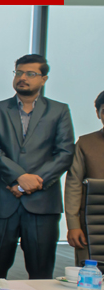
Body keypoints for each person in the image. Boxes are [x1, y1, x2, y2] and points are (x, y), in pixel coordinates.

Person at [0, 54, 74, 279]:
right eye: (19, 72)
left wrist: (28, 184)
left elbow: (64, 153)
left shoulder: (59, 111)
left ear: (44, 79)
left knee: (41, 273)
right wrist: (18, 178)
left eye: (31, 74)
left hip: (42, 203)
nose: (23, 78)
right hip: (2, 201)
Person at [66, 91, 104, 265]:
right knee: (89, 275)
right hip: (91, 226)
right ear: (98, 113)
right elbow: (73, 185)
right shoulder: (85, 143)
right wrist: (73, 225)